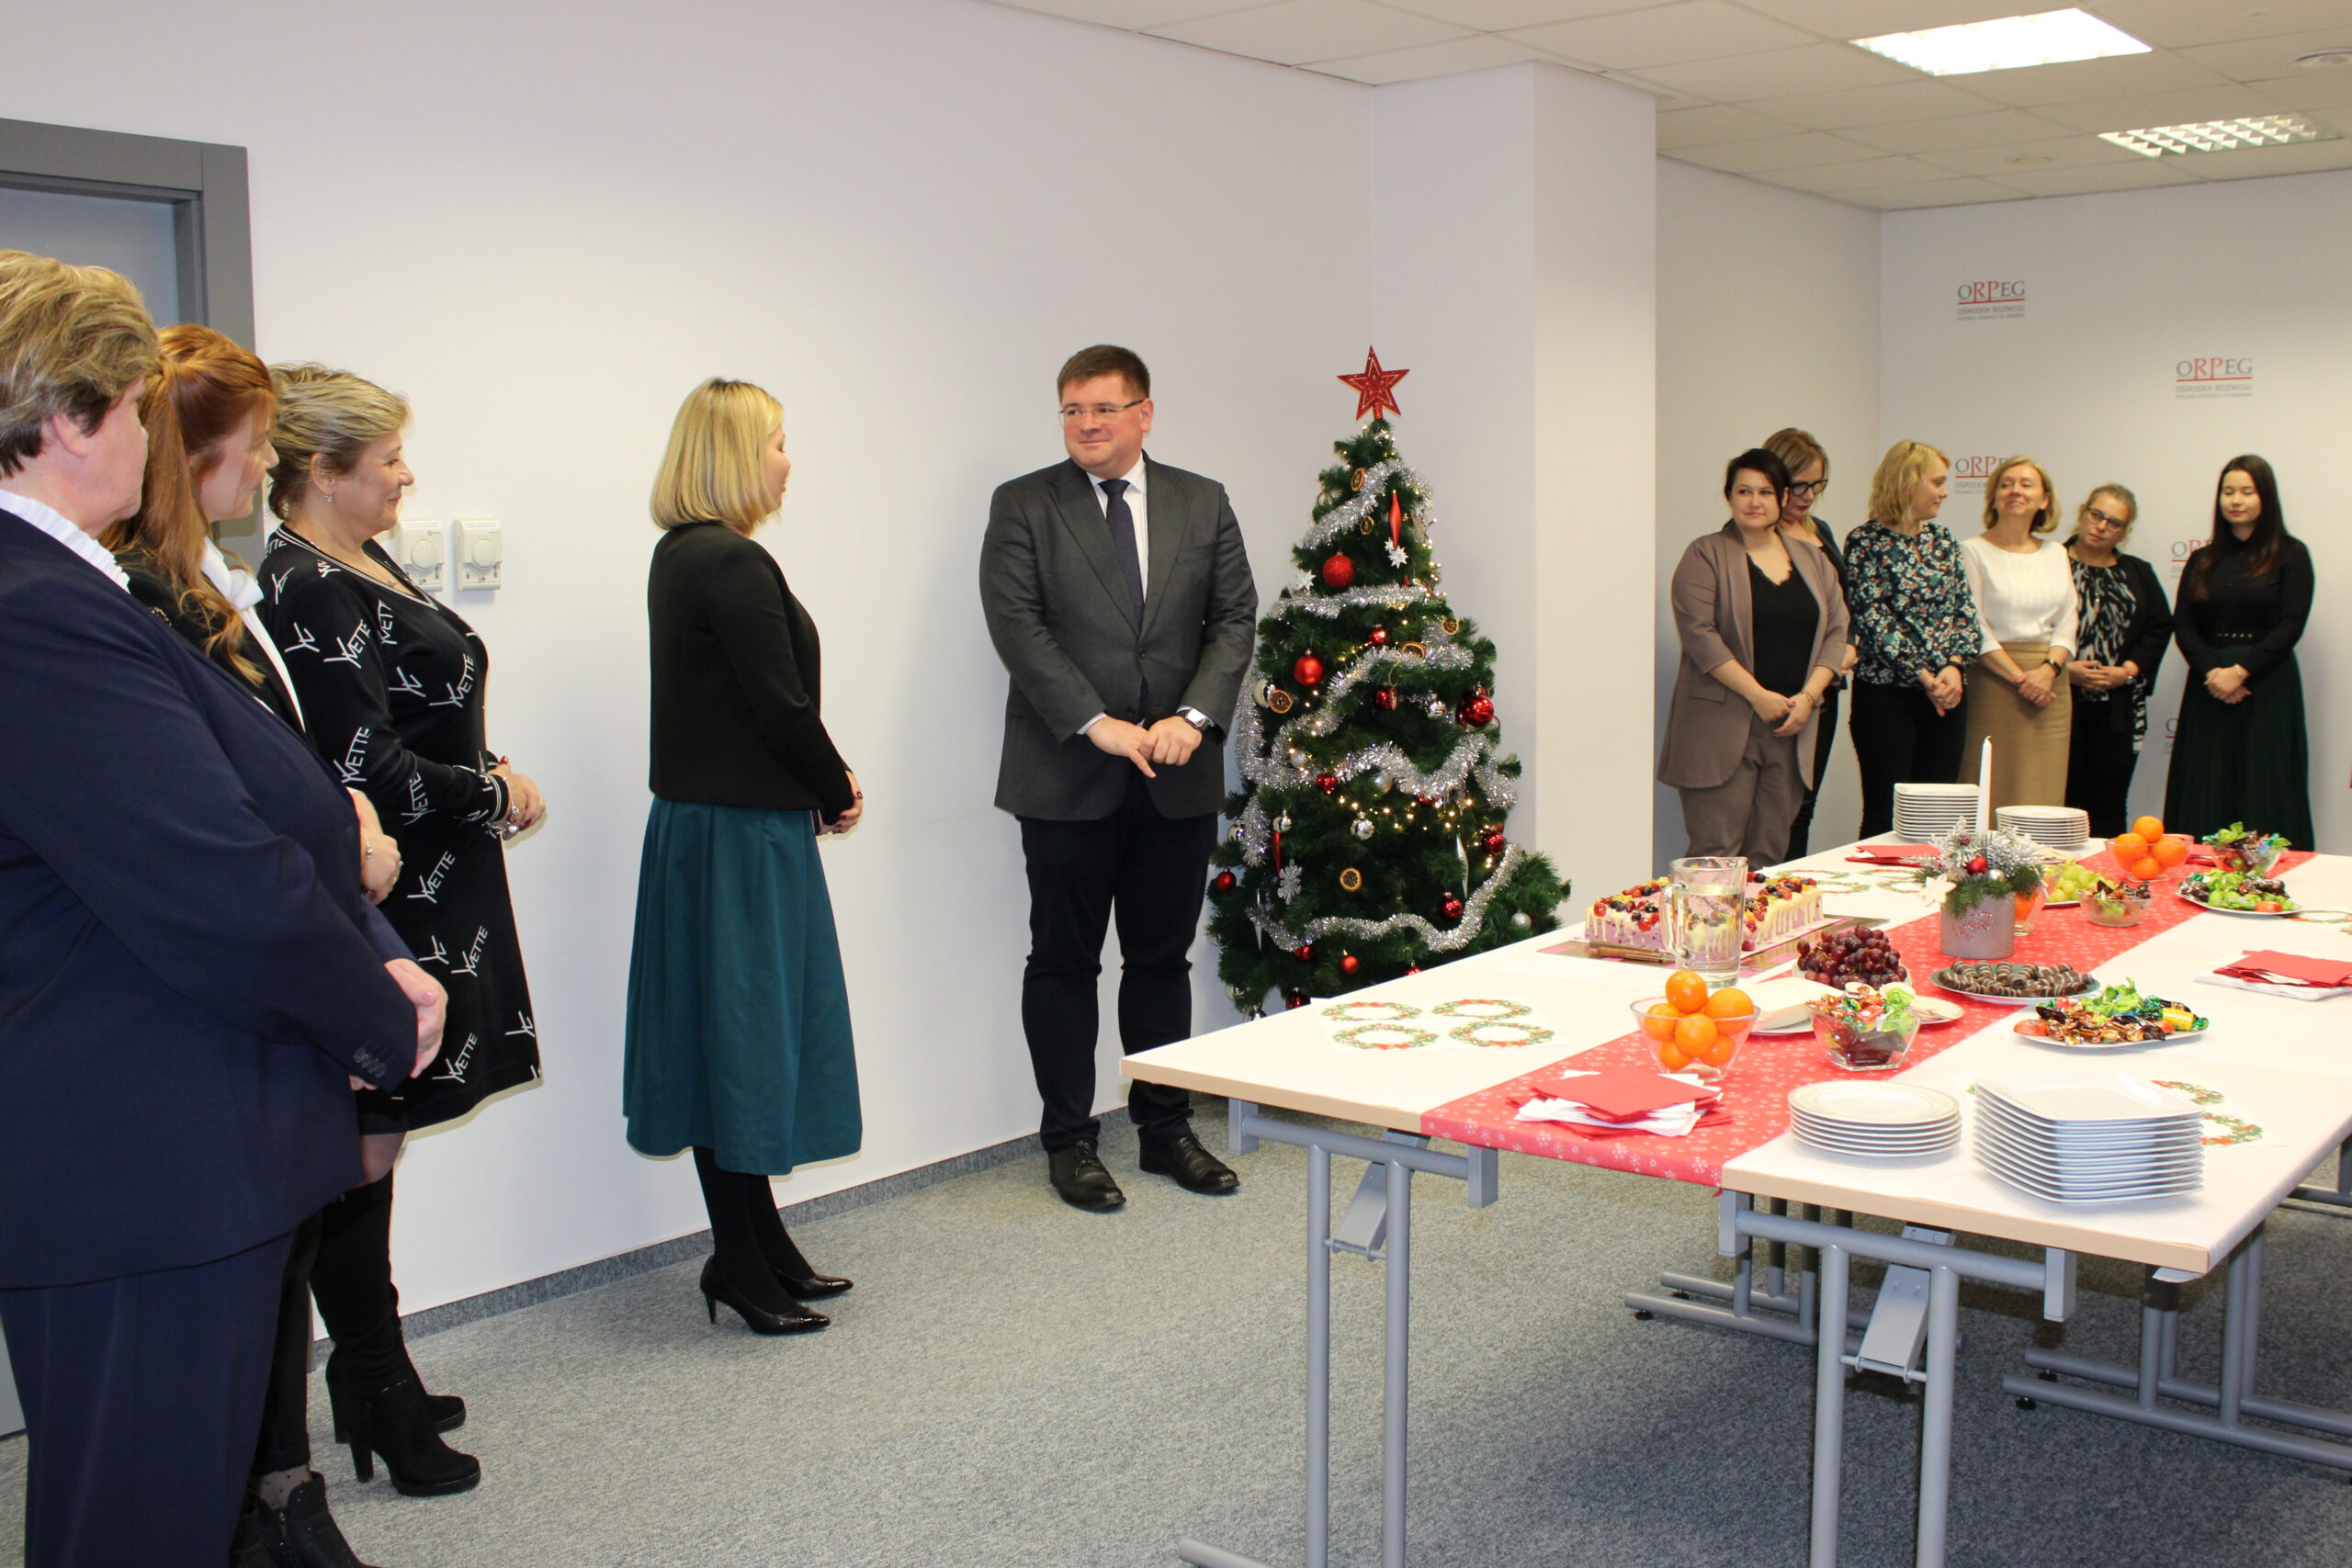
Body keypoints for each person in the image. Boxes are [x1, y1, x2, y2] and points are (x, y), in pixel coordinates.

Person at [0, 251, 439, 1568]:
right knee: (137, 1521)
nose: (152, 441)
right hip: (140, 1156)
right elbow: (214, 879)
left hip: (158, 1133)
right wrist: (377, 1012)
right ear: (73, 419)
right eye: (136, 410)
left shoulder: (66, 586)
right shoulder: (34, 610)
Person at [106, 323, 399, 1564]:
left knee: (288, 1246)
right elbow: (212, 819)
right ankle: (264, 1497)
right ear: (192, 455)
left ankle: (283, 1482)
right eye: (254, 441)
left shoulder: (209, 580)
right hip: (229, 988)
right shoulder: (135, 601)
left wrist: (348, 817)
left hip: (310, 939)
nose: (268, 461)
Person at [259, 365, 546, 1499]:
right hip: (393, 892)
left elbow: (423, 711)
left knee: (380, 1142)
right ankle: (372, 1378)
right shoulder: (304, 585)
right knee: (362, 1143)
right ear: (322, 472)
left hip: (440, 877)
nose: (406, 476)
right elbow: (362, 762)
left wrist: (486, 766)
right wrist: (493, 794)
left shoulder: (360, 559)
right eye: (386, 461)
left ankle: (376, 1372)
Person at [978, 344, 1258, 1211]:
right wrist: (1095, 722)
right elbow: (1016, 622)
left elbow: (1234, 618)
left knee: (1160, 961)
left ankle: (1166, 1130)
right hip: (1066, 773)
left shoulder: (1202, 500)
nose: (1086, 425)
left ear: (1144, 412)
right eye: (1072, 409)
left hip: (1175, 776)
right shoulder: (1024, 503)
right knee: (1064, 962)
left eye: (1103, 408)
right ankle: (1069, 1141)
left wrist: (1194, 718)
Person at [624, 378, 862, 1336]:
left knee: (729, 1040)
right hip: (738, 838)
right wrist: (835, 784)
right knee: (742, 1041)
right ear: (732, 454)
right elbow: (780, 705)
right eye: (775, 442)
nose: (786, 460)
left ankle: (756, 1244)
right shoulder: (729, 560)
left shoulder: (684, 554)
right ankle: (740, 1258)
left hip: (711, 829)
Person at [1659, 448, 1849, 865]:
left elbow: (1837, 632)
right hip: (1722, 727)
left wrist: (1808, 698)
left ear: (1783, 498)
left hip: (1791, 726)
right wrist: (1758, 696)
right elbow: (1700, 636)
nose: (1754, 501)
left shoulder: (1813, 560)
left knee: (1770, 858)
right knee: (1716, 857)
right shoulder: (1705, 554)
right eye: (1744, 491)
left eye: (1765, 492)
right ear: (1729, 496)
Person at [2164, 456, 2315, 845]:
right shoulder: (2202, 559)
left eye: (2247, 492)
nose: (2236, 500)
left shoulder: (2291, 554)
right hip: (2209, 686)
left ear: (2266, 497)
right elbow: (2184, 625)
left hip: (2267, 685)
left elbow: (2290, 625)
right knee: (2205, 781)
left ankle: (2270, 870)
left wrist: (2240, 672)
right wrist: (2214, 673)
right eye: (2228, 491)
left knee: (2265, 780)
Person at [1842, 440, 1982, 839]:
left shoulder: (1943, 539)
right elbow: (1872, 619)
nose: (1945, 492)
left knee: (1939, 819)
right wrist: (1924, 676)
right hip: (1886, 698)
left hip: (1947, 697)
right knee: (1885, 818)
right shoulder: (1865, 542)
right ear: (1907, 482)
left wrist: (1954, 666)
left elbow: (1964, 611)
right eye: (1937, 482)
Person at [1960, 457, 2077, 813]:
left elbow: (2068, 619)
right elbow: (1974, 623)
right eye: (2006, 484)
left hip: (2050, 685)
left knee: (2043, 790)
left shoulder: (2057, 552)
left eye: (2026, 484)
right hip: (1994, 681)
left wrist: (2048, 671)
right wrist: (2022, 680)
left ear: (2044, 499)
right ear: (1994, 496)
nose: (2015, 491)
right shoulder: (1972, 550)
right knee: (1991, 785)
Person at [2063, 485, 2173, 839]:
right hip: (2057, 703)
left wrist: (2127, 672)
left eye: (2114, 523)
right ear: (2082, 513)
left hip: (2118, 709)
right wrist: (2064, 671)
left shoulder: (2138, 573)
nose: (2102, 527)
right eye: (2096, 515)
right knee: (2060, 802)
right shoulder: (2050, 563)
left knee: (2109, 805)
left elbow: (2159, 628)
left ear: (2124, 531)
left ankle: (2107, 869)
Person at [1764, 427, 1854, 858]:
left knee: (1804, 805)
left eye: (1818, 485)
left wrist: (1849, 647)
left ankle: (1792, 890)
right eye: (1799, 485)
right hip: (1777, 689)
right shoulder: (1755, 536)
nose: (1808, 496)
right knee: (1772, 807)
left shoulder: (1821, 530)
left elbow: (1844, 605)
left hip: (1825, 688)